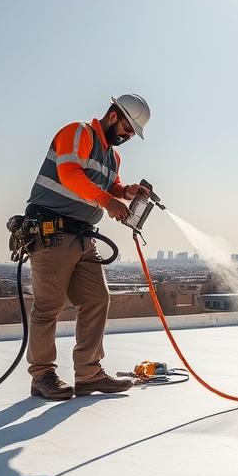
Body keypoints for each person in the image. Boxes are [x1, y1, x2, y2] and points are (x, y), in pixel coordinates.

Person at [23, 94, 153, 400]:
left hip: (83, 235)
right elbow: (70, 174)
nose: (129, 136)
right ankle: (42, 375)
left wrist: (124, 192)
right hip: (51, 230)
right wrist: (108, 201)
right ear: (113, 116)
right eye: (128, 128)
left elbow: (110, 188)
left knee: (97, 298)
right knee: (48, 307)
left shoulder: (113, 157)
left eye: (133, 133)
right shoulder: (78, 132)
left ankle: (89, 374)